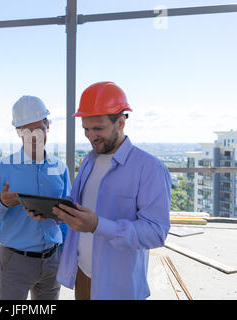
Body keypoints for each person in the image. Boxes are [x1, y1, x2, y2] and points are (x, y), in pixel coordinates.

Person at [54, 81, 172, 300]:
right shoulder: (89, 160)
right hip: (83, 275)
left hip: (119, 287)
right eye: (86, 129)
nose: (90, 136)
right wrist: (55, 212)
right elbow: (78, 203)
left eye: (98, 128)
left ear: (120, 122)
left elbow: (156, 232)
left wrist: (99, 226)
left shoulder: (149, 168)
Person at [0, 95, 71, 300]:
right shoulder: (3, 169)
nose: (33, 136)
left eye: (38, 129)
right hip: (15, 263)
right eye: (26, 131)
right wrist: (0, 202)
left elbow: (68, 215)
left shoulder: (60, 168)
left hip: (53, 260)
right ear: (18, 132)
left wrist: (61, 222)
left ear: (47, 126)